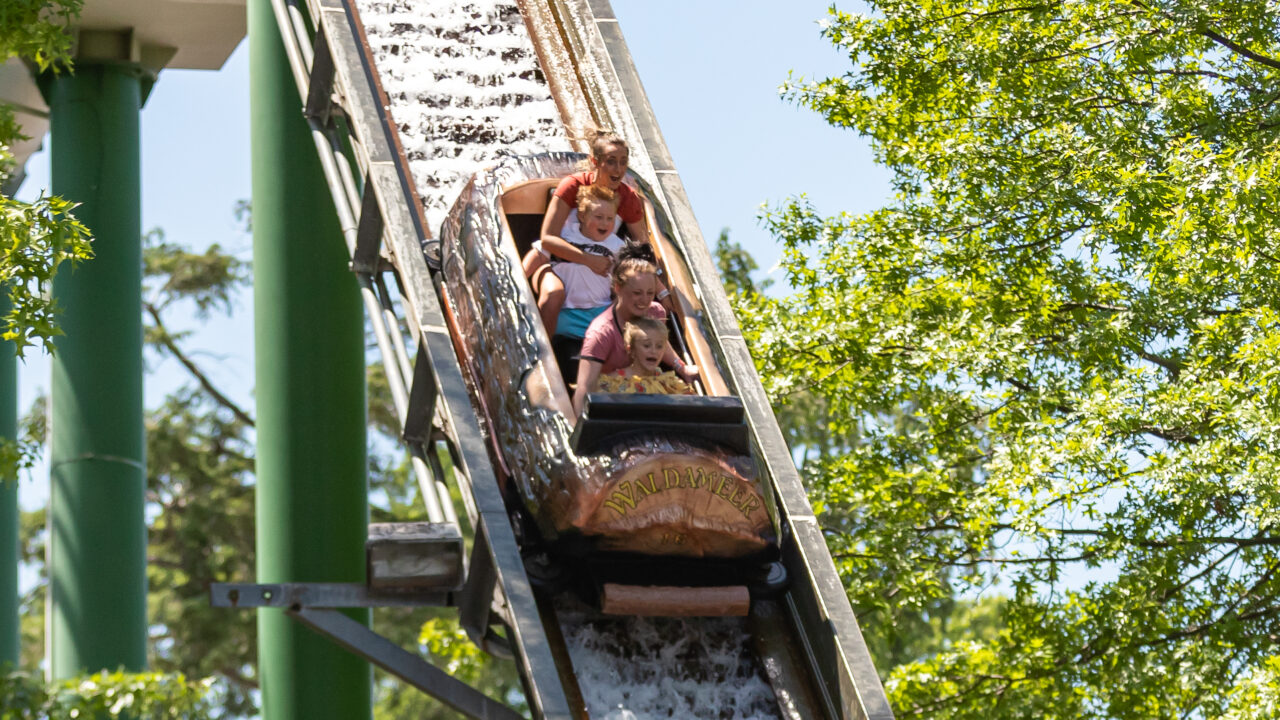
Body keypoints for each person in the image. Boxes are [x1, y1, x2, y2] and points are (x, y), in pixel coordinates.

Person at [572, 258, 698, 415]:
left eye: (650, 293)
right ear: (618, 288)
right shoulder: (601, 332)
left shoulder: (655, 312)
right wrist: (580, 428)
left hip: (647, 390)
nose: (645, 300)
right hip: (616, 397)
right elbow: (585, 386)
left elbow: (659, 343)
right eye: (637, 293)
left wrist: (682, 367)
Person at [528, 185, 625, 337]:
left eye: (610, 219)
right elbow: (539, 253)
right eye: (598, 217)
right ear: (582, 216)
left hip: (599, 310)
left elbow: (625, 278)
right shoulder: (565, 234)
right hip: (565, 311)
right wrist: (516, 279)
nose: (605, 223)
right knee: (545, 326)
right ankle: (543, 351)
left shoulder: (616, 245)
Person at [597, 317, 695, 395]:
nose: (653, 351)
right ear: (631, 349)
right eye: (647, 345)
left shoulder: (670, 384)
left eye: (659, 346)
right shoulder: (613, 382)